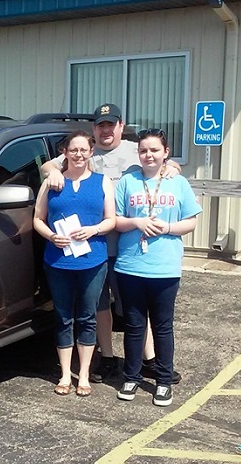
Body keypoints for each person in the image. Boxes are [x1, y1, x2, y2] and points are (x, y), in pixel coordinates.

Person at [41, 103, 182, 384]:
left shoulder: (133, 150)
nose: (106, 130)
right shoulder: (82, 152)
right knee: (99, 306)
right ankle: (106, 357)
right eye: (101, 125)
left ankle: (149, 359)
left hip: (128, 246)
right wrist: (51, 172)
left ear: (121, 126)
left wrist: (173, 167)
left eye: (111, 124)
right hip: (92, 249)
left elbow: (162, 161)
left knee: (135, 309)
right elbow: (49, 164)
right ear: (94, 131)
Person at [114, 128, 201, 406]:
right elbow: (115, 219)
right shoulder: (128, 180)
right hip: (130, 266)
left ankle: (163, 381)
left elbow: (192, 221)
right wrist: (137, 222)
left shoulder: (178, 183)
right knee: (134, 325)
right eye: (143, 150)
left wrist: (169, 227)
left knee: (163, 326)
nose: (148, 155)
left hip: (164, 267)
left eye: (154, 150)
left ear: (165, 153)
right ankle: (132, 376)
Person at [34, 130, 116, 397]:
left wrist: (93, 230)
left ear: (91, 152)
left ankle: (84, 375)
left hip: (92, 261)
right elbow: (38, 219)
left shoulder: (103, 182)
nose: (79, 155)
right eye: (74, 150)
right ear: (65, 153)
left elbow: (111, 220)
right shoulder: (52, 182)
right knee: (63, 317)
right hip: (58, 261)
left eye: (84, 150)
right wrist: (51, 236)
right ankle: (65, 375)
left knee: (87, 317)